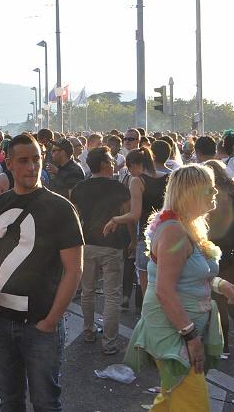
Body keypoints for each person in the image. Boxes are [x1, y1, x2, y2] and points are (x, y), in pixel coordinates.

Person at [0, 133, 84, 411]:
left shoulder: (61, 208)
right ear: (9, 163)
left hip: (42, 323)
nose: (32, 167)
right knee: (9, 402)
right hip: (1, 321)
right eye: (23, 160)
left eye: (36, 159)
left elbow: (74, 270)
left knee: (46, 403)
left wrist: (50, 321)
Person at [125, 165, 234, 411]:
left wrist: (221, 284)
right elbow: (164, 291)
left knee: (171, 397)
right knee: (193, 402)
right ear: (191, 192)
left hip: (179, 326)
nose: (215, 191)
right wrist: (190, 337)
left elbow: (189, 274)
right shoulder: (174, 232)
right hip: (173, 330)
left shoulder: (186, 225)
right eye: (209, 187)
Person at [72, 146, 130, 355]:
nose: (113, 162)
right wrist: (131, 240)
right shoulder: (119, 187)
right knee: (112, 294)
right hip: (113, 244)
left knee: (87, 291)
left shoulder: (80, 188)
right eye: (110, 159)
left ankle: (88, 331)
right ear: (105, 164)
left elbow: (76, 216)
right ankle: (109, 342)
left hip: (87, 243)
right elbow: (128, 215)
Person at [105, 148, 168, 311]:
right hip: (169, 235)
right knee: (166, 283)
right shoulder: (169, 176)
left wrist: (115, 219)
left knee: (147, 288)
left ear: (132, 165)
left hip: (147, 237)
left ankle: (150, 323)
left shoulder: (137, 181)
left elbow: (135, 214)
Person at [204, 160, 234, 352]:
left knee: (219, 297)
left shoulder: (211, 198)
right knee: (232, 294)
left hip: (216, 251)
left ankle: (224, 344)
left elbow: (208, 228)